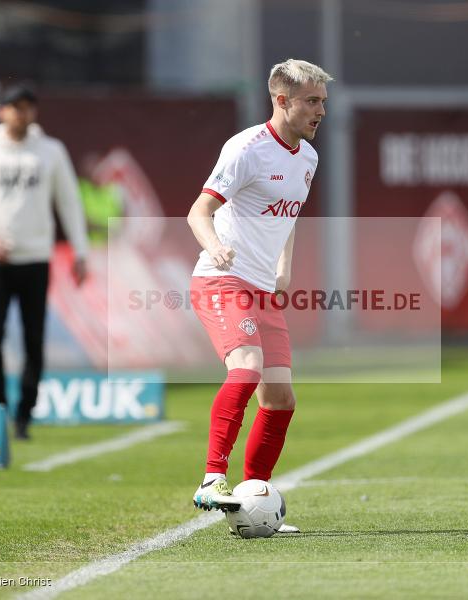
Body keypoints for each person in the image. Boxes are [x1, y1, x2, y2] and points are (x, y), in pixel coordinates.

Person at [186, 59, 331, 526]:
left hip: (261, 288)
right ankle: (211, 479)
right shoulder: (245, 148)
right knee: (246, 369)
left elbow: (284, 218)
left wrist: (284, 265)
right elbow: (198, 213)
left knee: (281, 397)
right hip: (220, 278)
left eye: (323, 102)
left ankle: (254, 499)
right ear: (282, 100)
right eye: (312, 101)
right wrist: (217, 248)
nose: (320, 111)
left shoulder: (307, 158)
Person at [0, 85, 89, 440]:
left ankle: (25, 413)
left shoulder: (50, 151)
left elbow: (69, 201)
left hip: (35, 257)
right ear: (1, 111)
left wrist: (80, 250)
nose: (22, 113)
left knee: (34, 339)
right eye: (15, 107)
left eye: (28, 107)